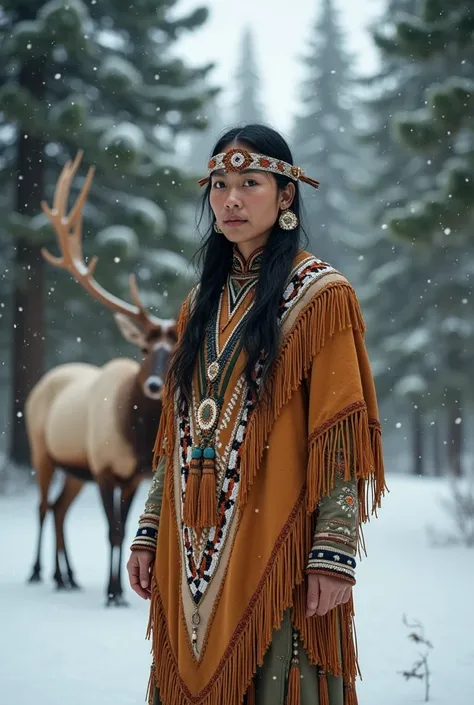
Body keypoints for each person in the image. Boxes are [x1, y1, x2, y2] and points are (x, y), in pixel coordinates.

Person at [126, 124, 385, 705]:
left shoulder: (321, 296)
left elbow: (339, 434)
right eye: (219, 185)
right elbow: (177, 433)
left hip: (279, 542)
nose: (232, 199)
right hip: (188, 541)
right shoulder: (198, 303)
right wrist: (147, 533)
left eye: (250, 182)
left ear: (286, 194)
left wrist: (334, 550)